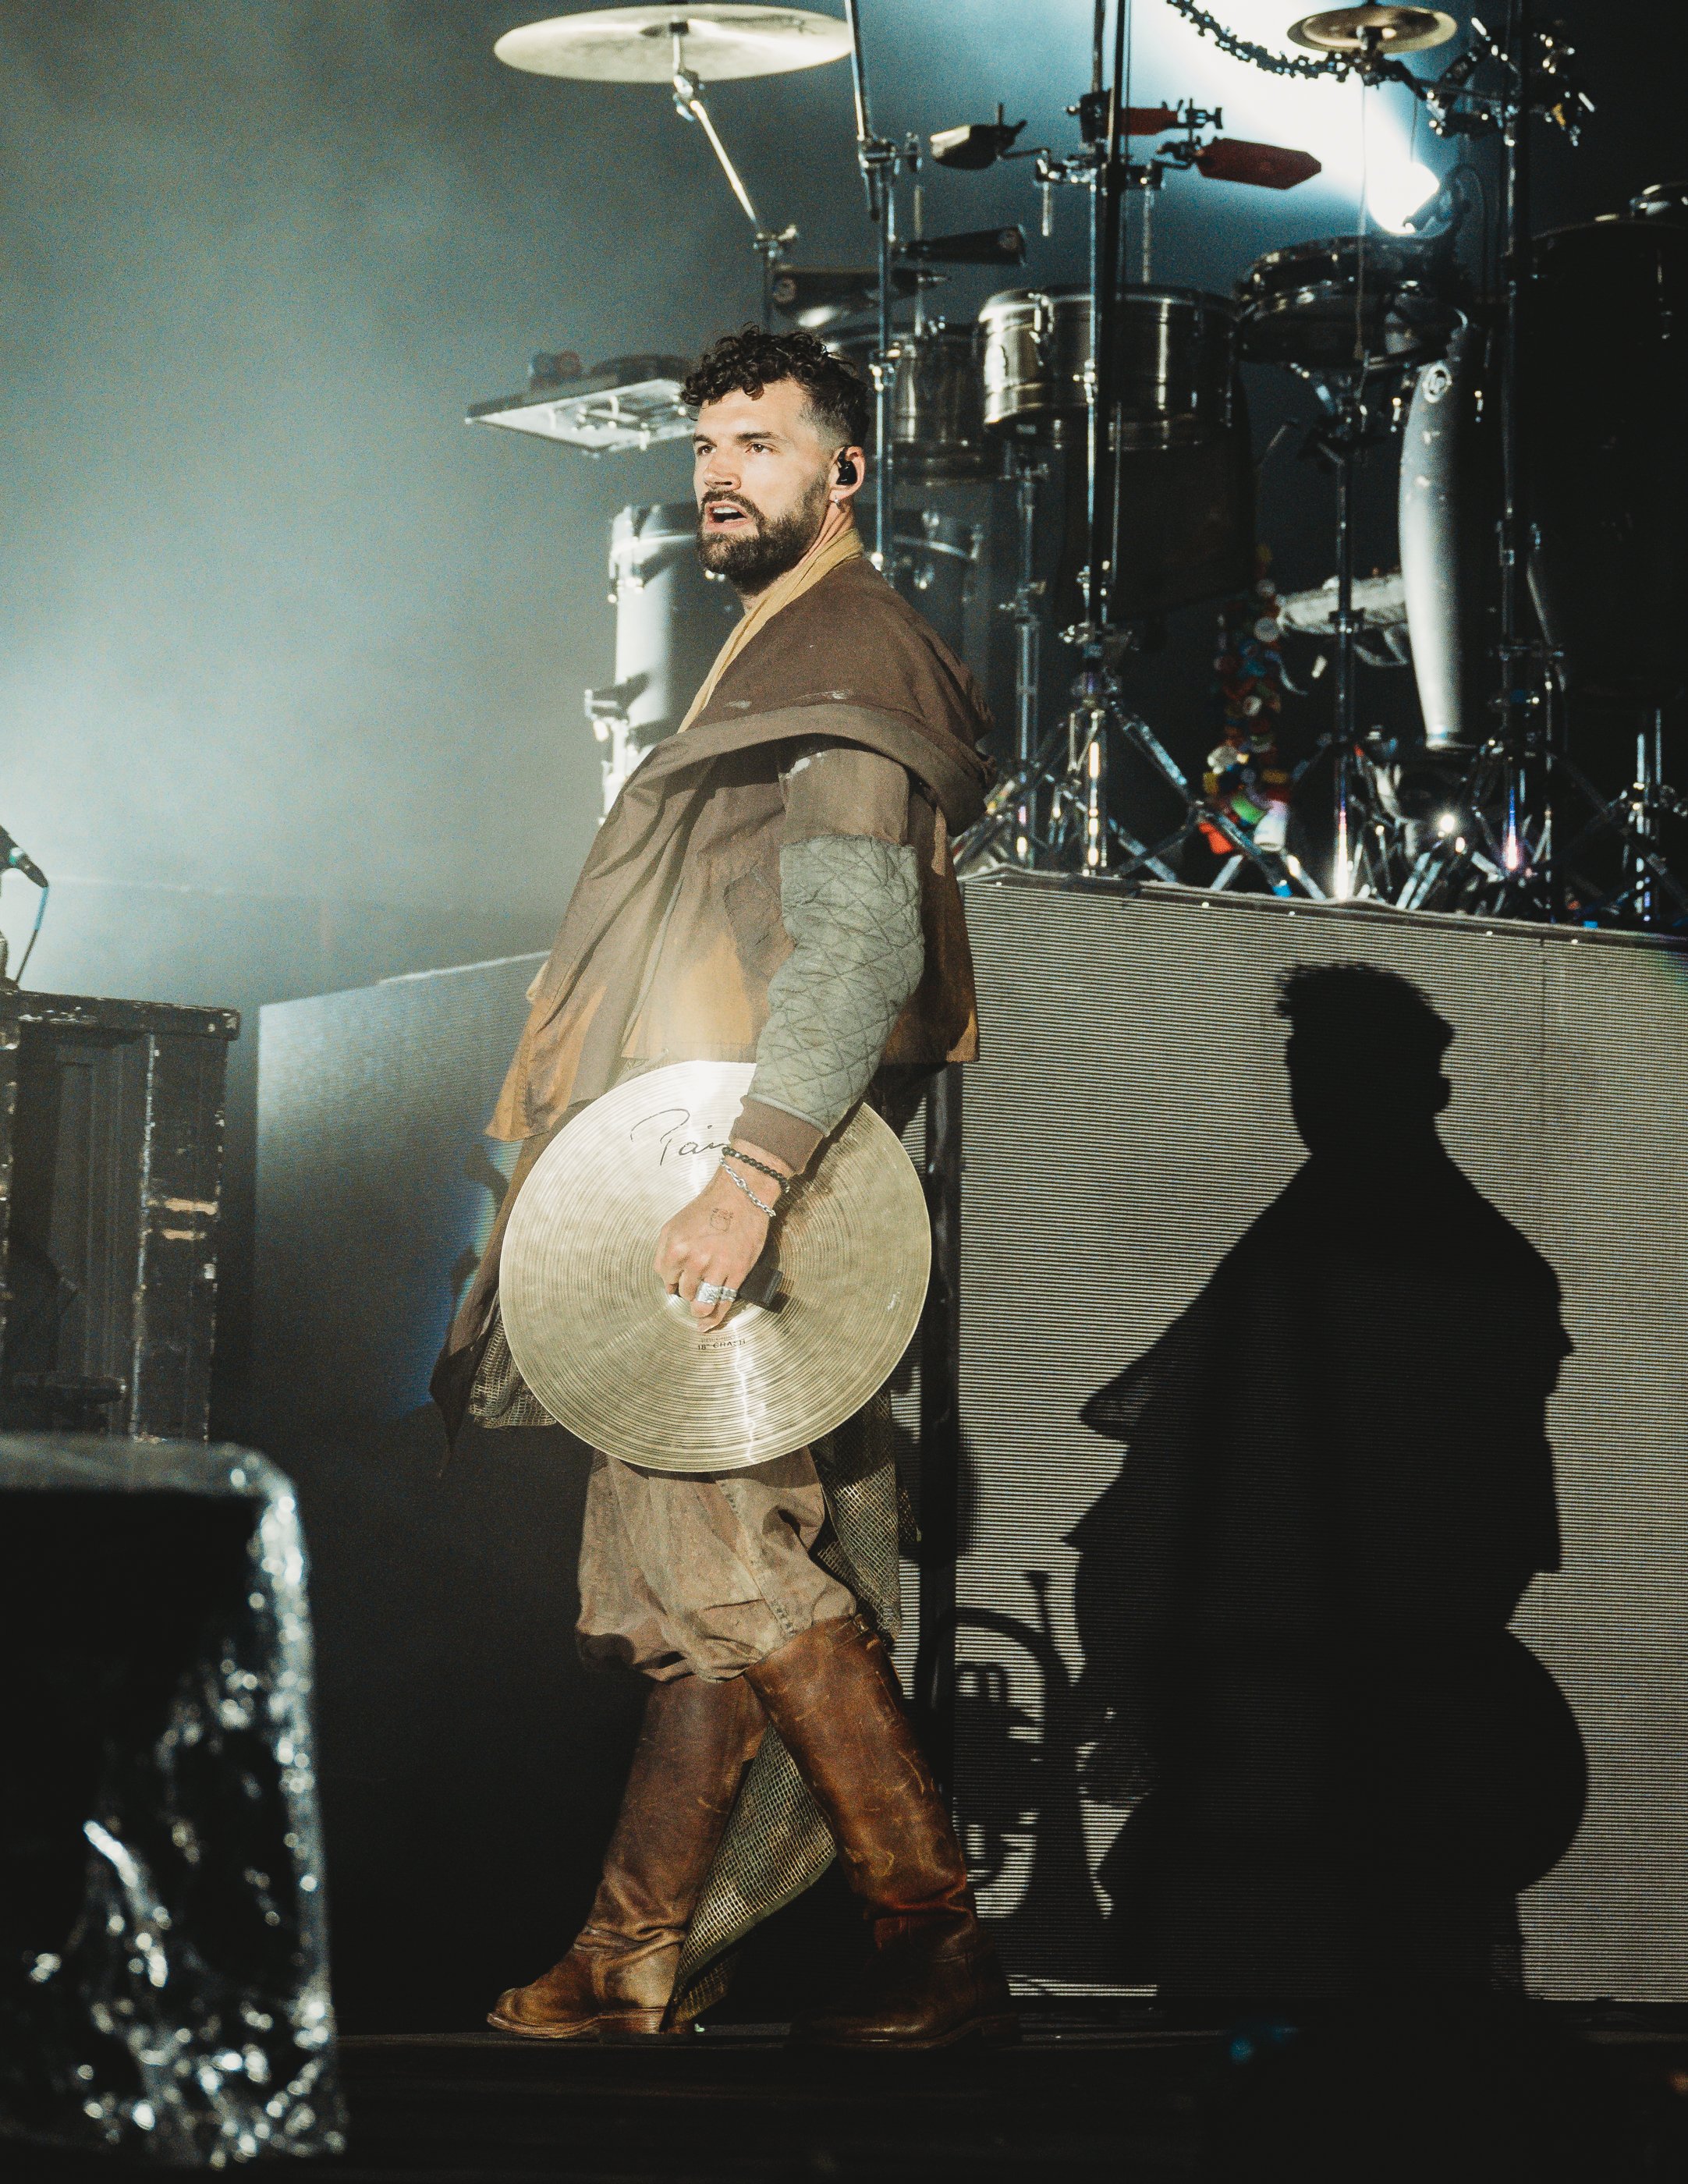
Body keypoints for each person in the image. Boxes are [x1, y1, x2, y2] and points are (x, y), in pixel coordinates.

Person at [431, 327, 1012, 2049]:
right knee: (688, 1589)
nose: (717, 474)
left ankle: (931, 1929)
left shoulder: (844, 648)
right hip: (692, 1166)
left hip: (751, 1184)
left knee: (734, 1562)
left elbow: (855, 944)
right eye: (704, 447)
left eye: (759, 443)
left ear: (844, 471)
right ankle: (631, 1955)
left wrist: (749, 1184)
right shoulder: (779, 645)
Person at [1073, 963, 1582, 2000]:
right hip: (1345, 1709)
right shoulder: (1466, 1259)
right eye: (1299, 1073)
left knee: (1293, 1996)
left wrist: (1156, 1673)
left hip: (1320, 1714)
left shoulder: (1341, 1255)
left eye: (1323, 1073)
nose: (1306, 1100)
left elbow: (1197, 1472)